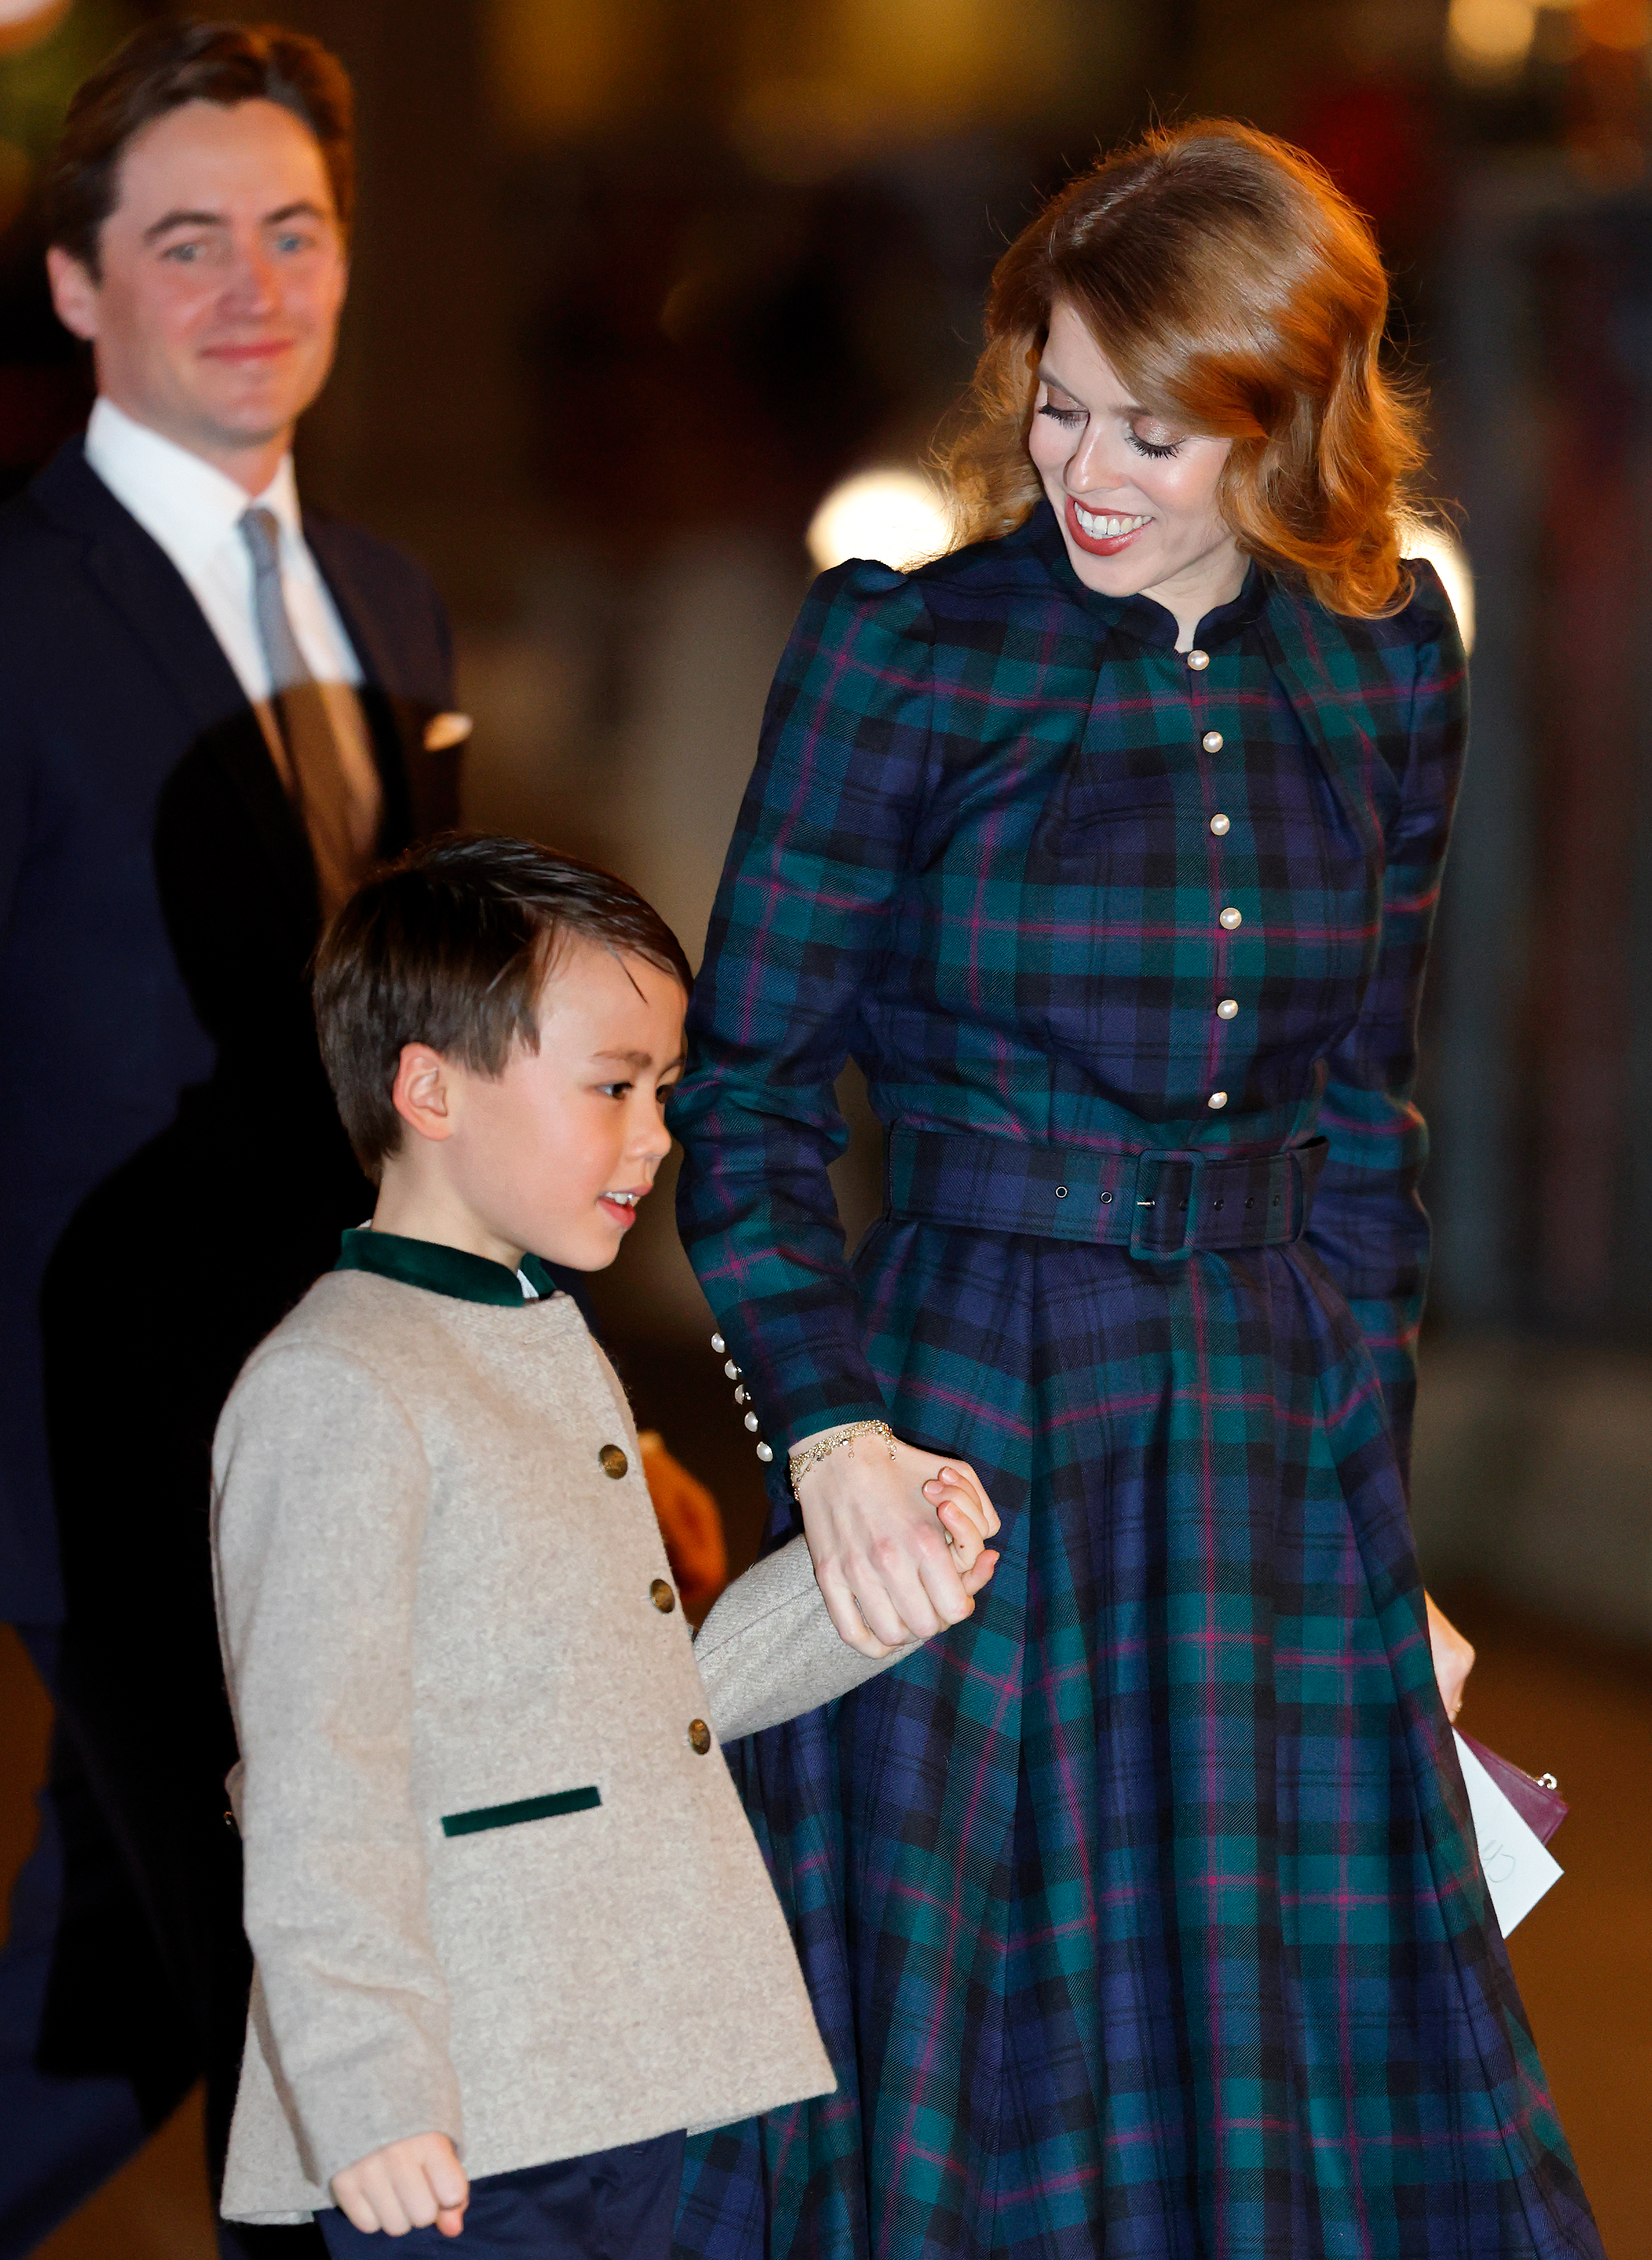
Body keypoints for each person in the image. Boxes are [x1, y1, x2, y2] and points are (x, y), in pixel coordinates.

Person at [669, 123, 1604, 2259]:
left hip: (1270, 1452)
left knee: (1301, 2105)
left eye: (1151, 432)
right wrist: (831, 1434)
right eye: (1058, 403)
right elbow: (751, 1098)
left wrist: (1383, 1534)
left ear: (1285, 418)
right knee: (984, 2096)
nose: (1081, 469)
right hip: (970, 1429)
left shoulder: (1388, 658)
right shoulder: (907, 654)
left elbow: (1361, 1127)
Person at [210, 835, 998, 2257]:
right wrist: (371, 2092)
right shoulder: (337, 1381)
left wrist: (864, 1595)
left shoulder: (536, 1339)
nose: (655, 1137)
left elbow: (635, 1707)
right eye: (613, 1086)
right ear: (430, 1089)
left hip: (618, 2074)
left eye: (665, 1090)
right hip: (460, 2113)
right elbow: (317, 1778)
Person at [0, 25, 459, 2254]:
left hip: (335, 1434)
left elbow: (429, 1071)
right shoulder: (10, 613)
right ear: (78, 286)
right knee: (314, 1992)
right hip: (96, 1448)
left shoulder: (391, 602)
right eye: (188, 242)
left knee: (114, 1983)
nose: (254, 287)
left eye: (294, 231)